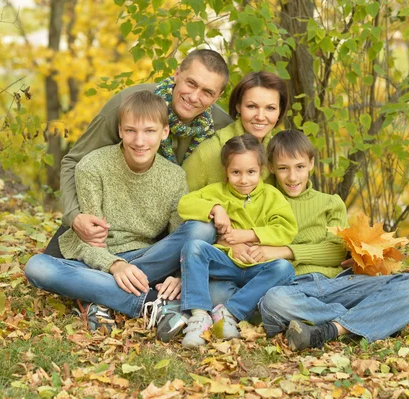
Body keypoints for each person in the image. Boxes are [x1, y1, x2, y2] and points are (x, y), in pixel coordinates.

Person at [211, 130, 409, 350]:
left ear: (311, 164)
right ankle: (371, 317)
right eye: (283, 168)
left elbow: (336, 251)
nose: (292, 177)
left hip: (336, 284)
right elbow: (224, 231)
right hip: (291, 287)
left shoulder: (330, 203)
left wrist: (282, 251)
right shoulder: (260, 199)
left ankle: (331, 329)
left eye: (299, 167)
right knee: (274, 300)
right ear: (270, 168)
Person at [25, 91, 215, 331]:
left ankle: (98, 294)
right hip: (98, 260)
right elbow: (89, 242)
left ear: (164, 132)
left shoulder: (175, 177)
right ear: (120, 131)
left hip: (147, 258)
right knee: (37, 267)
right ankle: (150, 302)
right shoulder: (93, 166)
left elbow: (178, 238)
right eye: (131, 131)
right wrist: (115, 266)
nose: (139, 141)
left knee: (202, 229)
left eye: (149, 131)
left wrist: (179, 275)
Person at [45, 49, 233, 258]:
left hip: (169, 226)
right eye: (191, 83)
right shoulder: (129, 104)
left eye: (207, 92)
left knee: (198, 237)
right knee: (46, 266)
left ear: (218, 96)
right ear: (177, 74)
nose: (194, 97)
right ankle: (124, 280)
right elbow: (74, 160)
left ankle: (120, 281)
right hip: (108, 226)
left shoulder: (221, 128)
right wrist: (75, 217)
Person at [158, 134, 298, 347]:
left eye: (251, 172)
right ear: (226, 172)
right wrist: (216, 208)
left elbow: (287, 229)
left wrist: (248, 235)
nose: (243, 180)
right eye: (236, 172)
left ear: (262, 170)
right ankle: (199, 315)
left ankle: (229, 313)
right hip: (225, 263)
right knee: (194, 247)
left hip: (256, 266)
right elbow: (185, 204)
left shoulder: (272, 196)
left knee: (284, 268)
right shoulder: (217, 192)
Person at [182, 71, 289, 191]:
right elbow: (178, 202)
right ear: (238, 106)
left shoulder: (280, 154)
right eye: (252, 106)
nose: (260, 116)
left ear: (280, 111)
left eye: (270, 108)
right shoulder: (208, 153)